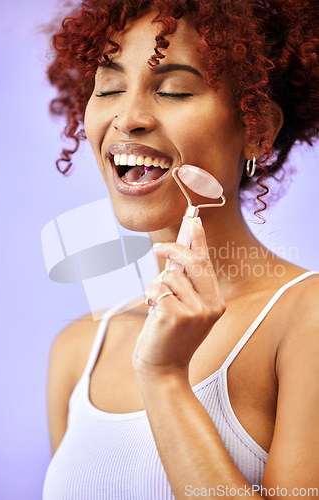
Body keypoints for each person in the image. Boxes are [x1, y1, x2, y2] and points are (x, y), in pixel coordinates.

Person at [43, 1, 319, 498]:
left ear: (259, 128)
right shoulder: (78, 350)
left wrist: (166, 380)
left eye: (172, 90)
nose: (129, 117)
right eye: (108, 88)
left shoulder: (306, 320)